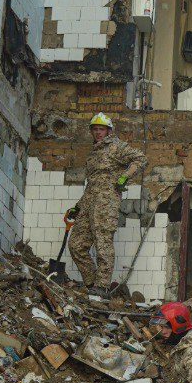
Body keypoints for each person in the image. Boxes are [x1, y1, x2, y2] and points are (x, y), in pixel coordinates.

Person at [66, 113, 146, 290]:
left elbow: (140, 158)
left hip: (106, 203)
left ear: (109, 130)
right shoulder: (93, 153)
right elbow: (92, 184)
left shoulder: (116, 146)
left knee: (103, 244)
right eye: (95, 129)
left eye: (101, 129)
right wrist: (78, 207)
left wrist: (125, 176)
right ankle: (91, 283)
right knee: (76, 245)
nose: (98, 132)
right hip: (88, 204)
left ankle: (102, 286)